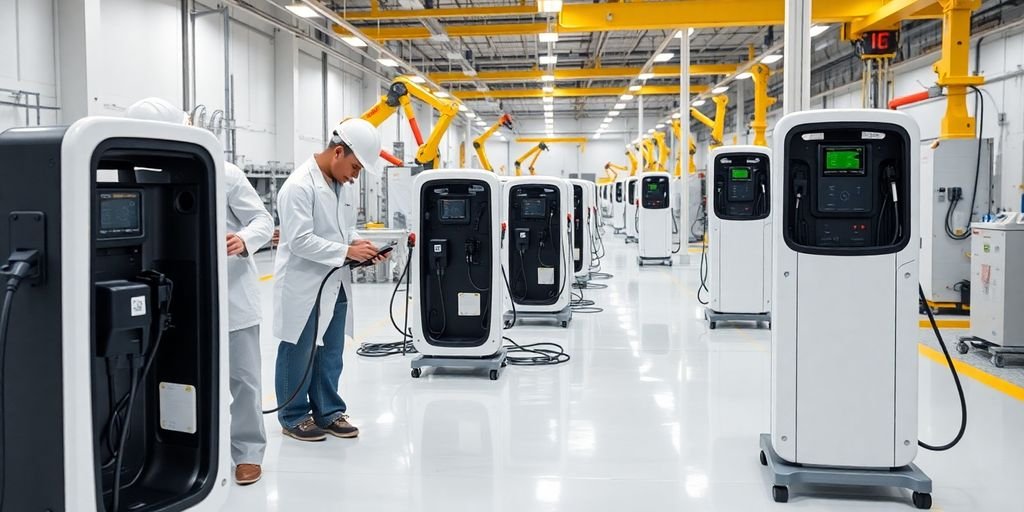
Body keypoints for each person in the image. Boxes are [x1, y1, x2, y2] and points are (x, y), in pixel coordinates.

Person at [124, 97, 274, 486]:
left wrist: (243, 238)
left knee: (243, 381)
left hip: (233, 294)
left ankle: (247, 452)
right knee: (180, 375)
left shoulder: (224, 173)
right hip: (177, 297)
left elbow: (262, 219)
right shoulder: (133, 177)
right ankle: (187, 449)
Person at [273, 118, 387, 442]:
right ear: (338, 152)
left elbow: (345, 231)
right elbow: (299, 240)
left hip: (334, 281)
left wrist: (363, 247)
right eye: (354, 167)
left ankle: (328, 411)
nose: (355, 176)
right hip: (304, 283)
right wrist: (347, 251)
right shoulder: (299, 186)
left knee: (330, 350)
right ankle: (293, 415)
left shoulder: (341, 188)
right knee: (299, 350)